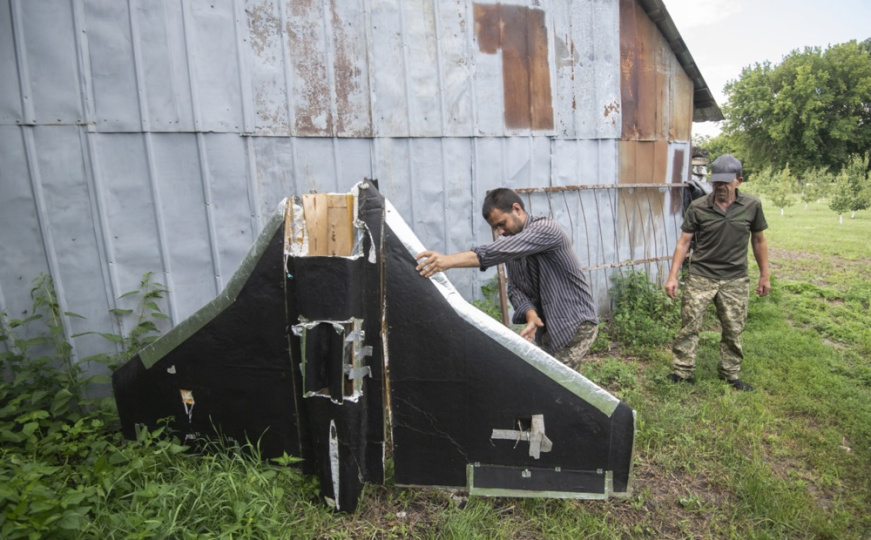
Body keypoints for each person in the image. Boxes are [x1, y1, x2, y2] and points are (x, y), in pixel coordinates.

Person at [415, 188, 599, 369]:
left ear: (517, 209)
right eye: (496, 228)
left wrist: (448, 261)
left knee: (551, 383)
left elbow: (497, 252)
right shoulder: (514, 246)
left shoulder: (546, 229)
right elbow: (515, 289)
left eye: (502, 224)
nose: (501, 232)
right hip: (549, 325)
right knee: (557, 386)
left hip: (575, 323)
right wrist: (531, 313)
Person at [664, 154, 771, 391]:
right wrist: (672, 276)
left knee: (733, 328)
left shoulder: (752, 206)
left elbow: (759, 241)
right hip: (701, 275)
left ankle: (730, 374)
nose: (719, 187)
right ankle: (682, 371)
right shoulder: (699, 206)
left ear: (739, 181)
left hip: (735, 279)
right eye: (716, 183)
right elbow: (684, 242)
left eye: (725, 183)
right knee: (689, 325)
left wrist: (765, 275)